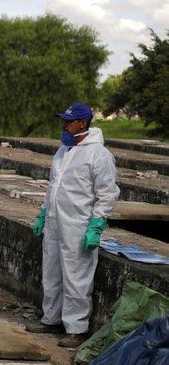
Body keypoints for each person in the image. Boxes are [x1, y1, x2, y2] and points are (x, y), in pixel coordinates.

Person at [26, 103, 119, 348]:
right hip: (56, 221)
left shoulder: (99, 155)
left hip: (78, 224)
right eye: (64, 121)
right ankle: (51, 318)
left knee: (77, 276)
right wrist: (43, 214)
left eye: (69, 122)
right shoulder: (63, 151)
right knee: (52, 270)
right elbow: (53, 187)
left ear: (82, 124)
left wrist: (97, 225)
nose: (64, 125)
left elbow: (107, 193)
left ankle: (76, 328)